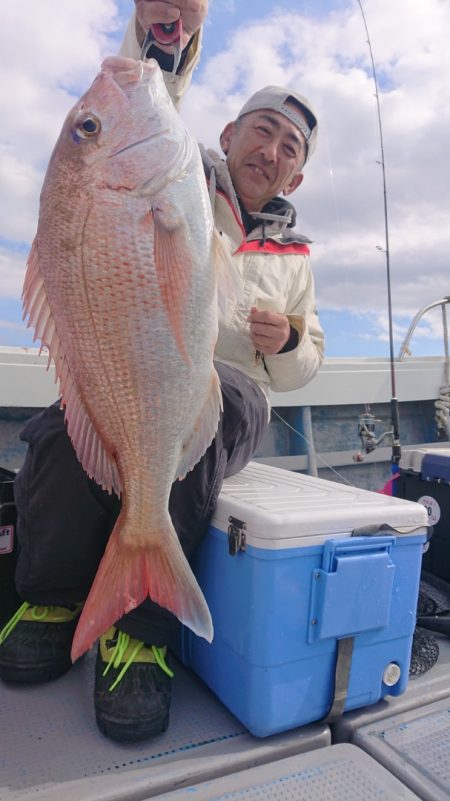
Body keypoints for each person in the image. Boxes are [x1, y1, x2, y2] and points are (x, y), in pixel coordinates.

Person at [0, 1, 324, 743]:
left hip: (234, 390)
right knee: (59, 427)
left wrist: (292, 337)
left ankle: (141, 629)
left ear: (297, 178)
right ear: (225, 137)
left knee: (206, 425)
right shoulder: (179, 175)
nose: (271, 150)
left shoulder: (297, 256)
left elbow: (311, 363)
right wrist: (163, 31)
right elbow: (150, 80)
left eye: (290, 146)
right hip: (141, 365)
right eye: (261, 131)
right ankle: (52, 596)